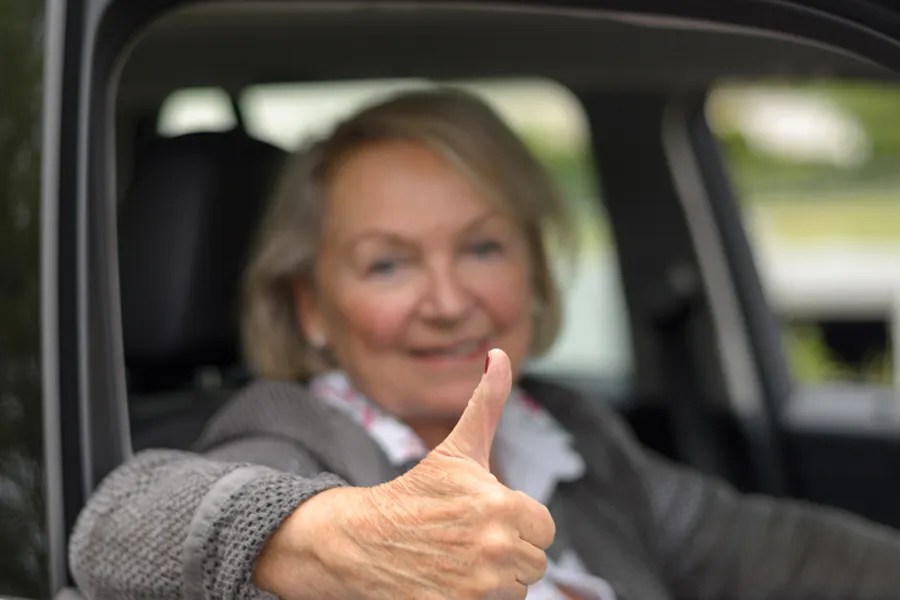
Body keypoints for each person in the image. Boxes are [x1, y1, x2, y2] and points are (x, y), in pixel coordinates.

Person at [69, 88, 900, 600]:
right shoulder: (287, 439)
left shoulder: (565, 434)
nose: (448, 299)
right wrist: (334, 539)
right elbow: (119, 526)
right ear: (312, 308)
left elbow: (758, 545)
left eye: (482, 248)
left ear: (533, 270)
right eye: (388, 263)